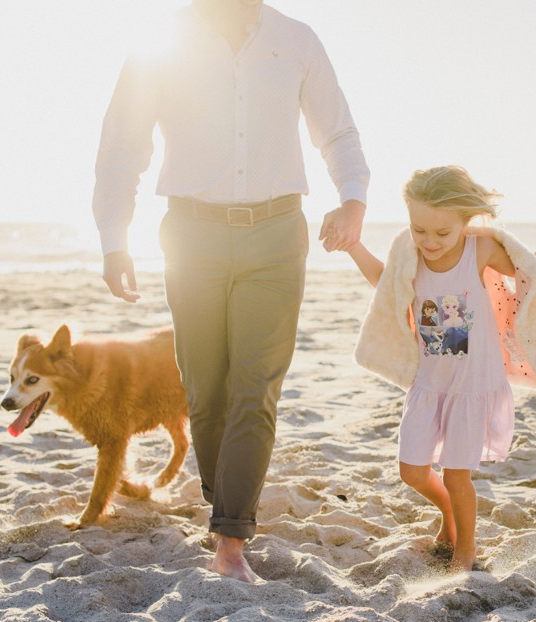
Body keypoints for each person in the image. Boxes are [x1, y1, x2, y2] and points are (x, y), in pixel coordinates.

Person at [92, 0, 370, 582]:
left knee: (255, 386)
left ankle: (229, 539)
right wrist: (114, 237)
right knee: (205, 391)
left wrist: (351, 200)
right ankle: (227, 505)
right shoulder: (160, 45)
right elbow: (124, 145)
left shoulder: (296, 39)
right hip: (190, 236)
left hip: (275, 234)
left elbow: (337, 130)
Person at [346, 165, 536, 571]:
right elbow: (385, 282)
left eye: (442, 232)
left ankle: (466, 549)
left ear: (464, 222)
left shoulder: (480, 250)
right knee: (412, 472)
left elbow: (534, 267)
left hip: (472, 386)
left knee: (457, 477)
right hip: (429, 384)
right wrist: (352, 247)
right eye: (420, 230)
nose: (429, 241)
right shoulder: (409, 253)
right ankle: (449, 514)